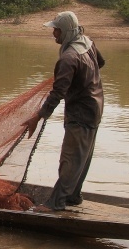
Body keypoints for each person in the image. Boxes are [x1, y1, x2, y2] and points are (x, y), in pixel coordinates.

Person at [22, 11, 105, 211]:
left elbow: (57, 94)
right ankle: (74, 196)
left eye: (56, 30)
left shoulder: (68, 58)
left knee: (70, 158)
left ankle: (56, 203)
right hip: (96, 107)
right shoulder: (87, 42)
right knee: (82, 156)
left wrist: (38, 117)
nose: (54, 34)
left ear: (66, 31)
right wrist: (82, 80)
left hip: (81, 112)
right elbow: (100, 63)